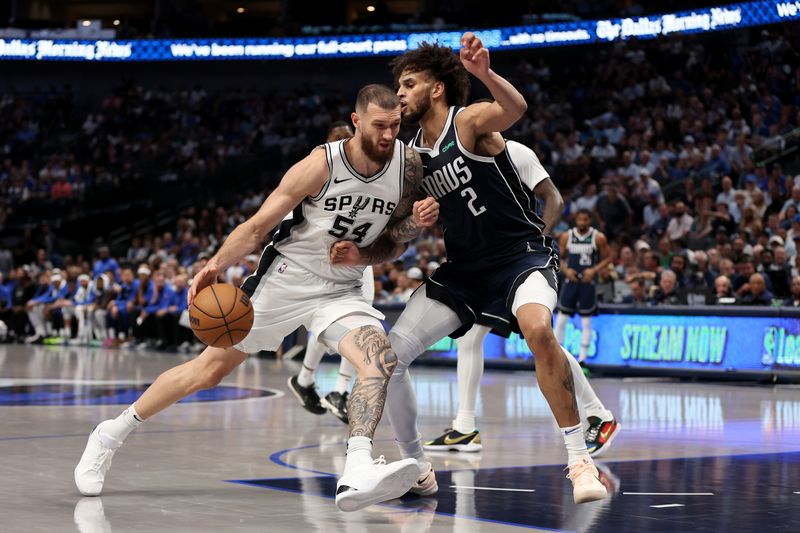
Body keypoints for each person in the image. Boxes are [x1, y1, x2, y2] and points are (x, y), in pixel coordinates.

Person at [75, 84, 441, 513]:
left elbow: (393, 242)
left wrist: (401, 233)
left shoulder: (408, 166)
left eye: (395, 125)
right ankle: (110, 434)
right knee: (207, 372)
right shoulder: (320, 164)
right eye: (379, 126)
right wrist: (214, 263)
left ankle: (356, 467)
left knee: (380, 359)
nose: (388, 135)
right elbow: (256, 228)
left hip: (341, 287)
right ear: (357, 121)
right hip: (285, 281)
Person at [334, 35, 608, 503]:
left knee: (539, 331)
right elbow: (399, 234)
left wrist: (483, 73)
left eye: (409, 84)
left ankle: (581, 462)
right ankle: (418, 467)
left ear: (436, 89)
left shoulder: (467, 122)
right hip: (464, 270)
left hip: (519, 254)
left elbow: (515, 108)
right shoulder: (412, 158)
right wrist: (405, 229)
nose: (399, 95)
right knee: (388, 360)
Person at [423, 142, 618, 458]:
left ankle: (598, 414)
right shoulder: (462, 159)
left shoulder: (516, 152)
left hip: (523, 259)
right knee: (472, 337)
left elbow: (553, 198)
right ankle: (464, 427)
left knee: (538, 337)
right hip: (489, 264)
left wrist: (536, 237)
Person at [288, 121, 375, 425]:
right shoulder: (314, 178)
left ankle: (311, 380)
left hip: (358, 260)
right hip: (322, 266)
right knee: (341, 323)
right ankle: (330, 386)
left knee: (353, 321)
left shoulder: (367, 177)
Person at [554, 209, 612, 362]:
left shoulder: (598, 237)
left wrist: (593, 270)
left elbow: (608, 258)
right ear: (576, 220)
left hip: (588, 282)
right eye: (580, 220)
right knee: (561, 319)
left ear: (590, 221)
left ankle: (582, 359)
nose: (582, 223)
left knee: (586, 321)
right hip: (571, 281)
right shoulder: (567, 236)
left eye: (585, 220)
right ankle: (557, 356)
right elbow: (558, 257)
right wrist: (566, 271)